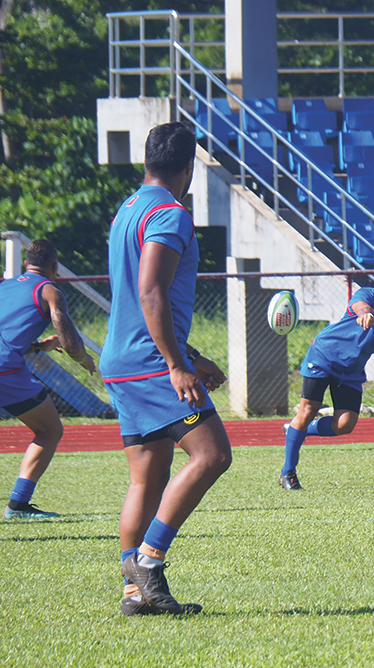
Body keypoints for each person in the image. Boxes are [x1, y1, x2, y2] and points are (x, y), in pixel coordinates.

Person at [100, 121, 232, 616]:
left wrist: (193, 356)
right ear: (189, 168)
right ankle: (149, 563)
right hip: (151, 362)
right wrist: (178, 365)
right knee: (213, 454)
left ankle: (135, 594)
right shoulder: (171, 213)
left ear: (148, 160)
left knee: (148, 477)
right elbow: (151, 291)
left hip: (122, 358)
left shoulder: (127, 209)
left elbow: (142, 300)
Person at [280, 270, 374, 490]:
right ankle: (288, 472)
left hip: (351, 371)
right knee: (307, 410)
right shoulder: (368, 296)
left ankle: (297, 429)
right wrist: (365, 314)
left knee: (345, 424)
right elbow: (360, 306)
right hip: (323, 356)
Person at [1, 239, 97, 520]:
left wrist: (40, 346)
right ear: (55, 267)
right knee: (49, 431)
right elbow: (73, 345)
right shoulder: (49, 291)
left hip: (7, 363)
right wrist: (83, 359)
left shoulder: (5, 286)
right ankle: (18, 505)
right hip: (5, 371)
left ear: (24, 265)